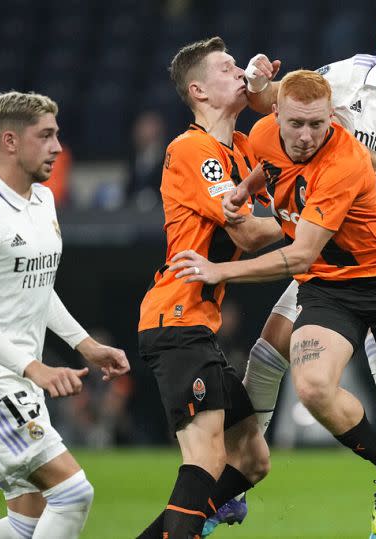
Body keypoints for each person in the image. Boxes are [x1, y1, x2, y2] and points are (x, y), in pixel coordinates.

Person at [171, 69, 376, 537]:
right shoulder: (266, 134)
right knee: (309, 385)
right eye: (295, 124)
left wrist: (221, 270)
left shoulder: (344, 160)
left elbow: (300, 252)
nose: (305, 137)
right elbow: (270, 165)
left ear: (334, 119)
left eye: (317, 125)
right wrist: (244, 189)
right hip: (328, 286)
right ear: (277, 115)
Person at [0, 91, 130, 539]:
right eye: (45, 136)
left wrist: (85, 344)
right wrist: (35, 367)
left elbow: (39, 287)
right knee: (74, 493)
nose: (57, 147)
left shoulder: (42, 200)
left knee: (27, 522)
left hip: (18, 376)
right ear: (9, 141)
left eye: (56, 135)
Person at [135, 37, 283, 539]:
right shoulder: (192, 148)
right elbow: (244, 229)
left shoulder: (240, 148)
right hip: (176, 318)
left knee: (251, 457)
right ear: (198, 90)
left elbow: (302, 145)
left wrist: (272, 91)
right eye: (227, 67)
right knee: (207, 459)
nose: (239, 70)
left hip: (199, 325)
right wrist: (309, 227)